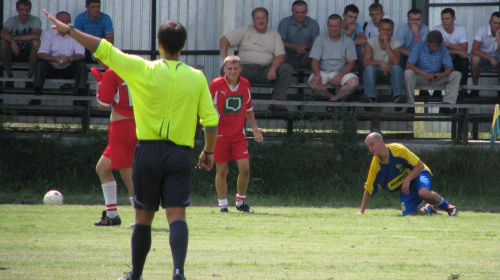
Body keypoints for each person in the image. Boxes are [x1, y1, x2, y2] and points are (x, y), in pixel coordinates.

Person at [42, 9, 219, 280]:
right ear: (183, 46)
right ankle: (178, 273)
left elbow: (104, 48)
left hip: (147, 152)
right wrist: (208, 151)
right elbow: (210, 120)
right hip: (180, 153)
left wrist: (70, 31)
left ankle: (136, 275)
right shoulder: (195, 77)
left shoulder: (141, 68)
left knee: (143, 219)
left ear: (158, 44)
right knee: (177, 216)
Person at [209, 56, 264, 213]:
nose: (232, 71)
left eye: (235, 68)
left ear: (240, 69)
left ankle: (240, 202)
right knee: (222, 170)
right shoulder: (216, 85)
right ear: (224, 69)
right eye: (229, 68)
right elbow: (207, 107)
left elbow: (248, 108)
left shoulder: (245, 84)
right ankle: (223, 205)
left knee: (245, 169)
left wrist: (254, 127)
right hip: (220, 136)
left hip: (238, 136)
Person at [359, 132, 458, 216]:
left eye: (372, 144)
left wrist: (407, 179)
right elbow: (369, 188)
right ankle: (428, 209)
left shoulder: (398, 149)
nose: (370, 148)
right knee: (408, 214)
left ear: (381, 142)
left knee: (423, 192)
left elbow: (419, 165)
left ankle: (448, 207)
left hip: (419, 172)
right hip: (406, 185)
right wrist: (361, 211)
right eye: (368, 146)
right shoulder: (376, 164)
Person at [90, 60, 137, 227]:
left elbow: (103, 104)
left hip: (121, 127)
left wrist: (100, 85)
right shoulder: (135, 67)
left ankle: (140, 218)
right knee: (102, 168)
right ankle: (111, 215)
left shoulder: (112, 72)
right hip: (137, 123)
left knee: (128, 173)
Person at [220, 7, 293, 111]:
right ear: (253, 20)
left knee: (286, 68)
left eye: (263, 18)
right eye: (258, 18)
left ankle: (277, 102)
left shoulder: (274, 35)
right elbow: (224, 40)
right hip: (245, 69)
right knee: (225, 69)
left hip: (266, 71)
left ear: (268, 19)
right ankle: (234, 100)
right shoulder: (245, 31)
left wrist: (273, 69)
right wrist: (226, 59)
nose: (261, 21)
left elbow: (280, 56)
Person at [31, 11, 86, 106]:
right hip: (51, 68)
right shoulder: (49, 34)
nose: (64, 24)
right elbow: (41, 53)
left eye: (67, 21)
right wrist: (54, 59)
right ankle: (37, 95)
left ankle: (79, 97)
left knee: (82, 65)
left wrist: (70, 59)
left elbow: (81, 54)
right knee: (40, 64)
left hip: (69, 67)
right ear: (56, 22)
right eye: (62, 21)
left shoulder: (76, 34)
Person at [404, 30, 462, 114]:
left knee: (457, 75)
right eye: (433, 46)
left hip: (436, 78)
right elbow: (408, 65)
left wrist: (442, 74)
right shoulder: (419, 46)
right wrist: (424, 74)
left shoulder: (442, 48)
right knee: (408, 73)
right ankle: (410, 104)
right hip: (421, 77)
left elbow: (450, 67)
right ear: (427, 42)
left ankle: (447, 104)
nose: (435, 48)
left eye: (437, 46)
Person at [308, 14, 359, 102]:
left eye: (336, 26)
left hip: (341, 71)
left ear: (341, 26)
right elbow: (314, 60)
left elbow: (351, 63)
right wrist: (316, 74)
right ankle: (333, 97)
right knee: (313, 84)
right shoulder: (320, 39)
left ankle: (336, 98)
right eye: (331, 26)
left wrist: (340, 75)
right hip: (323, 71)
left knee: (354, 82)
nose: (333, 29)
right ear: (327, 25)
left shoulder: (348, 41)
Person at [362, 18, 405, 109]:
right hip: (376, 74)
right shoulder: (371, 42)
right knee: (369, 68)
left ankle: (397, 97)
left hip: (390, 75)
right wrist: (380, 62)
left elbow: (395, 62)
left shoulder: (396, 43)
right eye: (383, 29)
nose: (385, 32)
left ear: (392, 30)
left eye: (388, 30)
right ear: (378, 29)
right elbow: (365, 62)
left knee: (397, 68)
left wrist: (387, 44)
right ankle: (370, 98)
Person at [0, 0, 41, 88]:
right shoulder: (12, 20)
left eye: (27, 9)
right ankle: (10, 76)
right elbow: (3, 33)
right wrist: (13, 42)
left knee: (36, 43)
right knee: (3, 43)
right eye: (22, 10)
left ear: (30, 10)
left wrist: (16, 38)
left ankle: (29, 77)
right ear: (17, 10)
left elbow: (37, 35)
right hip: (14, 52)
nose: (24, 12)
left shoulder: (35, 20)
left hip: (28, 52)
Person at [433, 8, 469, 96]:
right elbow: (436, 49)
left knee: (464, 60)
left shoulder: (461, 29)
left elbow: (464, 49)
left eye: (447, 19)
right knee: (436, 58)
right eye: (443, 19)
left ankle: (462, 89)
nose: (445, 21)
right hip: (442, 59)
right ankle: (437, 89)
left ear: (454, 18)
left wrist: (448, 44)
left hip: (456, 59)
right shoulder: (436, 29)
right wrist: (457, 51)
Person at [278, 0, 320, 68]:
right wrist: (296, 47)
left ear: (306, 11)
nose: (300, 15)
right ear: (292, 11)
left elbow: (317, 44)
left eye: (303, 12)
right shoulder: (284, 23)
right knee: (280, 52)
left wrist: (305, 47)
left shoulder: (313, 23)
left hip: (307, 56)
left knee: (317, 52)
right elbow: (280, 42)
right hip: (288, 56)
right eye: (297, 12)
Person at [470, 11, 500, 97]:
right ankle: (475, 88)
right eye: (495, 23)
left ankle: (499, 88)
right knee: (475, 59)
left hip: (496, 58)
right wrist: (490, 58)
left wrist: (498, 36)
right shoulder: (482, 30)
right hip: (483, 58)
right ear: (490, 22)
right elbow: (474, 50)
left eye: (499, 23)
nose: (497, 26)